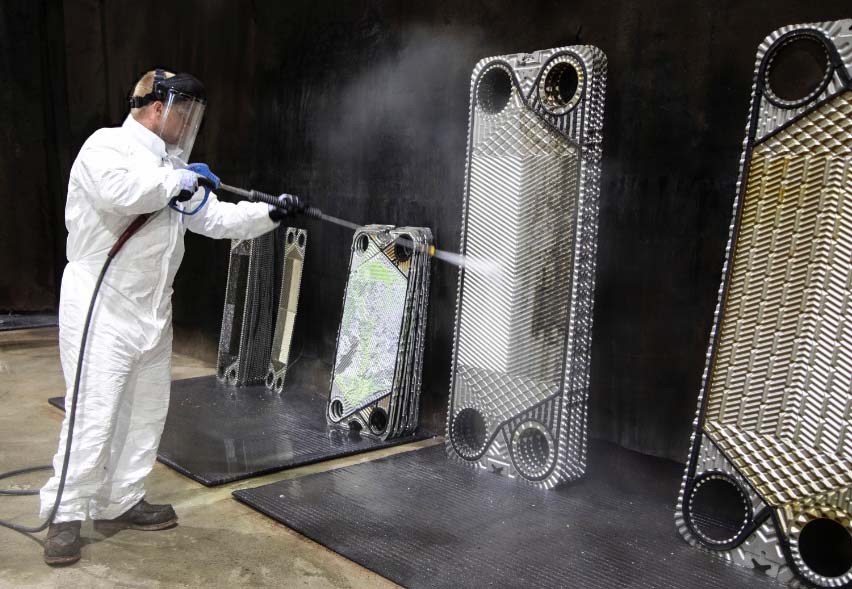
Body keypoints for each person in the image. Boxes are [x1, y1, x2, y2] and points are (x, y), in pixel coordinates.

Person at [39, 68, 290, 565]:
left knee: (146, 413)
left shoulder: (172, 167)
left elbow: (214, 219)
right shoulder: (106, 147)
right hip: (102, 303)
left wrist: (270, 214)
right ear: (158, 108)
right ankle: (65, 515)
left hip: (153, 309)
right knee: (94, 413)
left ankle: (121, 500)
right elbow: (122, 193)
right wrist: (178, 178)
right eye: (185, 113)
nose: (189, 124)